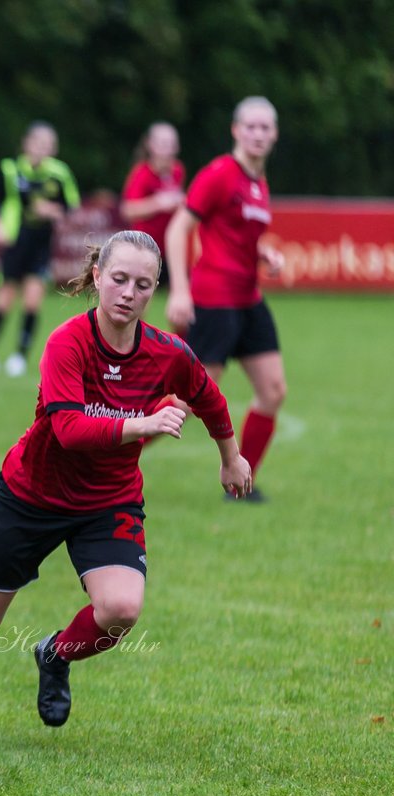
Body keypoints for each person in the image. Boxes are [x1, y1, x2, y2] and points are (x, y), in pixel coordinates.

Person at [0, 230, 252, 738]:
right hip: (30, 493)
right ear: (96, 277)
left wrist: (231, 456)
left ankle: (54, 654)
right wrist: (143, 423)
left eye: (142, 284)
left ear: (154, 290)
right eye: (118, 279)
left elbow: (208, 396)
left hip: (107, 499)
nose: (128, 293)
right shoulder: (66, 343)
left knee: (120, 610)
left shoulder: (168, 353)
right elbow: (69, 431)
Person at [165, 97, 286, 501]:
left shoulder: (259, 181)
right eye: (250, 126)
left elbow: (237, 236)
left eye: (265, 127)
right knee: (184, 404)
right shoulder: (219, 174)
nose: (257, 134)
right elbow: (178, 228)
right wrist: (180, 290)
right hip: (214, 300)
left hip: (248, 299)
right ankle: (104, 456)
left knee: (273, 390)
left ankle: (241, 485)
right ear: (236, 130)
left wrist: (263, 253)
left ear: (275, 134)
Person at [0, 121, 80, 378]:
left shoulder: (59, 174)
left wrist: (52, 211)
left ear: (53, 149)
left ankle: (20, 356)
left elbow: (71, 209)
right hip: (14, 244)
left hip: (41, 247)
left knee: (33, 301)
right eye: (37, 143)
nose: (41, 149)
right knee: (4, 300)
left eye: (47, 145)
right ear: (26, 143)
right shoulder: (10, 171)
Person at [120, 122, 186, 285]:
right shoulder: (142, 174)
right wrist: (157, 203)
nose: (168, 149)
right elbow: (127, 210)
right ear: (150, 145)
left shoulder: (178, 170)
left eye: (172, 144)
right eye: (163, 143)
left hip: (170, 246)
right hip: (145, 247)